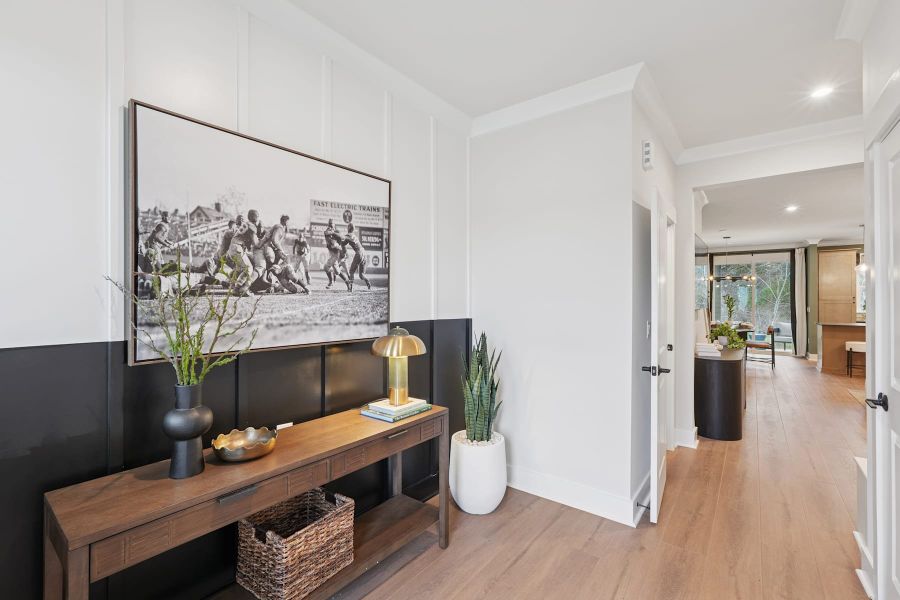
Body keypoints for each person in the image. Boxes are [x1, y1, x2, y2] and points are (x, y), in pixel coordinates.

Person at [323, 219, 350, 291]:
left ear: (334, 225)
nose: (330, 225)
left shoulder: (337, 231)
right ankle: (347, 281)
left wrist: (333, 233)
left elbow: (342, 237)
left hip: (336, 253)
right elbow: (326, 233)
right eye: (329, 224)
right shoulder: (327, 231)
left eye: (332, 224)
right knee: (337, 271)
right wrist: (331, 233)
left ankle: (331, 282)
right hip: (331, 253)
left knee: (326, 267)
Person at [342, 223, 371, 291]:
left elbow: (343, 242)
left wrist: (336, 239)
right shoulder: (354, 235)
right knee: (361, 275)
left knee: (351, 271)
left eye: (348, 227)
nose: (347, 228)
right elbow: (345, 242)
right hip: (364, 253)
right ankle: (367, 281)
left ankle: (350, 288)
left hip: (359, 253)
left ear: (349, 228)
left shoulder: (348, 235)